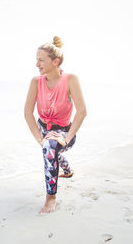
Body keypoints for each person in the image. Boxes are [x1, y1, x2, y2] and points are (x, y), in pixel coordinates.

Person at [24, 36, 87, 213]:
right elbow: (27, 113)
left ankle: (50, 199)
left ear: (55, 61)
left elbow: (82, 112)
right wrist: (39, 139)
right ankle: (66, 171)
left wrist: (66, 138)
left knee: (52, 147)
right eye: (36, 59)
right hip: (43, 129)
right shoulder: (36, 82)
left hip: (65, 132)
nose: (37, 64)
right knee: (49, 147)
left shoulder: (71, 79)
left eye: (41, 60)